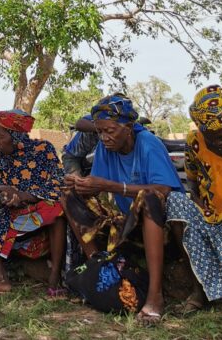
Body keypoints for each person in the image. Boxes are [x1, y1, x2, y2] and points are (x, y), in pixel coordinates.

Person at [62, 93, 183, 324]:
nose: (104, 138)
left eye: (110, 131)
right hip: (125, 220)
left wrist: (111, 186)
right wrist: (82, 186)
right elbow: (98, 185)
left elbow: (163, 190)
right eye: (99, 132)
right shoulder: (106, 149)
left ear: (128, 127)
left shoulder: (148, 143)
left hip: (159, 223)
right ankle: (97, 264)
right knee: (68, 194)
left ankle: (155, 296)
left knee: (149, 197)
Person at [0, 109, 66, 297]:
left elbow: (58, 184)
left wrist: (24, 195)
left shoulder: (44, 150)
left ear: (15, 135)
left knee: (58, 206)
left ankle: (54, 277)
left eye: (0, 136)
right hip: (10, 212)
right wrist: (5, 196)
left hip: (37, 207)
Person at [165, 85, 222, 311]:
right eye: (210, 135)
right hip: (210, 213)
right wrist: (197, 203)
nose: (216, 140)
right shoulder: (195, 140)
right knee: (176, 202)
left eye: (221, 134)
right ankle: (199, 291)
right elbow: (193, 181)